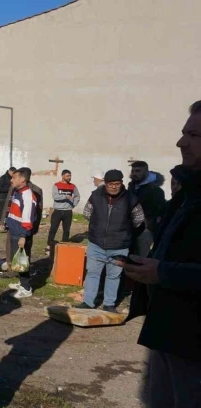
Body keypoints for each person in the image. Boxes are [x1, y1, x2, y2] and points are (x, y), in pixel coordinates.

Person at [123, 101, 201, 408]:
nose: (181, 142)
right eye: (183, 133)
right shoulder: (186, 194)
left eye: (193, 135)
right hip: (168, 331)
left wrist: (162, 272)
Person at [76, 169, 145, 313]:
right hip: (96, 243)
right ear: (105, 183)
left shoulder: (131, 199)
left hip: (119, 246)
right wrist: (97, 228)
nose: (114, 186)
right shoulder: (95, 196)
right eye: (110, 184)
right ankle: (88, 302)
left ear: (121, 183)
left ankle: (109, 304)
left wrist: (126, 233)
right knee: (92, 274)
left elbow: (138, 220)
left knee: (113, 276)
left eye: (117, 183)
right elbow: (87, 214)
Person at [5, 167, 39, 299]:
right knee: (16, 259)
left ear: (22, 179)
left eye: (14, 177)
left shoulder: (28, 196)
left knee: (22, 260)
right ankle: (21, 282)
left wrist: (23, 236)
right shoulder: (17, 192)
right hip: (14, 231)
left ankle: (26, 288)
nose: (11, 180)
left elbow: (28, 217)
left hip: (21, 233)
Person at [128, 161, 166, 257]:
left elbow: (160, 211)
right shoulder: (131, 187)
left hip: (145, 230)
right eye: (133, 171)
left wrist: (150, 226)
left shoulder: (156, 190)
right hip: (130, 228)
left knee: (143, 258)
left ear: (146, 172)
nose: (134, 173)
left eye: (138, 171)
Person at [46, 169, 80, 251]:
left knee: (66, 229)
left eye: (70, 176)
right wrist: (66, 196)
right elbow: (55, 197)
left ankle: (64, 244)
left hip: (68, 211)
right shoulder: (56, 185)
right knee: (53, 228)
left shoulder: (73, 186)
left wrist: (73, 205)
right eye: (67, 176)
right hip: (57, 210)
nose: (69, 177)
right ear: (62, 176)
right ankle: (49, 244)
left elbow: (77, 196)